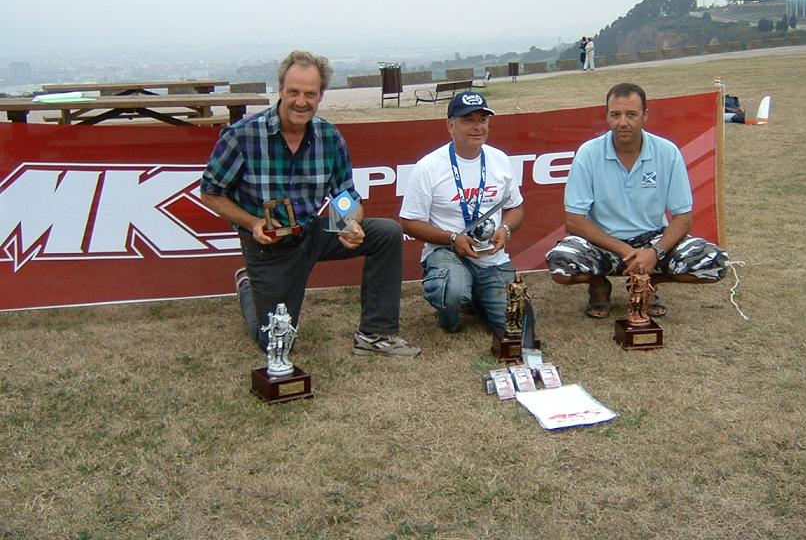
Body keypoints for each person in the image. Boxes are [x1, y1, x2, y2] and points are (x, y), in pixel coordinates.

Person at [200, 49, 420, 357]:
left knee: (386, 232)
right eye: (294, 92)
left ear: (320, 96)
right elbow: (210, 193)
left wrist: (349, 224)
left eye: (310, 94)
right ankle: (248, 287)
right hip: (268, 245)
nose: (301, 102)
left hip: (311, 232)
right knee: (277, 341)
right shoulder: (242, 135)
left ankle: (376, 334)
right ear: (280, 90)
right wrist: (253, 223)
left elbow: (345, 195)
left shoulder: (329, 136)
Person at [546, 82, 729, 318]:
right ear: (607, 116)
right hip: (604, 243)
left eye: (631, 114)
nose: (623, 122)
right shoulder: (588, 153)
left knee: (715, 262)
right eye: (616, 114)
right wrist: (627, 251)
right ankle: (598, 284)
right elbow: (574, 221)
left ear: (645, 115)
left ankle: (648, 282)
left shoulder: (667, 152)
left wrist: (654, 252)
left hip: (653, 240)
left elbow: (683, 218)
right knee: (561, 265)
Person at [399, 92, 524, 335]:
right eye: (468, 120)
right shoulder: (429, 167)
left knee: (517, 324)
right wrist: (452, 238)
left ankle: (479, 297)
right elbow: (409, 222)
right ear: (450, 125)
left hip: (490, 257)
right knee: (452, 290)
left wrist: (505, 229)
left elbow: (516, 207)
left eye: (483, 120)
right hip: (446, 252)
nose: (478, 127)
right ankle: (449, 317)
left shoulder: (500, 160)